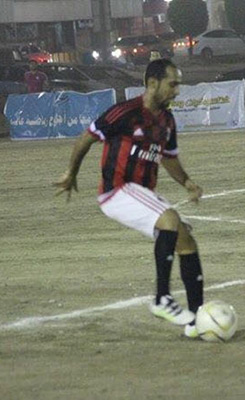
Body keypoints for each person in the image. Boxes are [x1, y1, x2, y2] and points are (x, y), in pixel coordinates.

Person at [54, 59, 205, 338]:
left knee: (186, 240)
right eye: (172, 84)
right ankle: (162, 299)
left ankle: (197, 319)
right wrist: (70, 172)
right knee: (170, 219)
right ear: (152, 83)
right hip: (117, 190)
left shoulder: (167, 120)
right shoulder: (125, 112)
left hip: (141, 194)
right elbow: (87, 138)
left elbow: (168, 158)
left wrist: (187, 182)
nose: (176, 91)